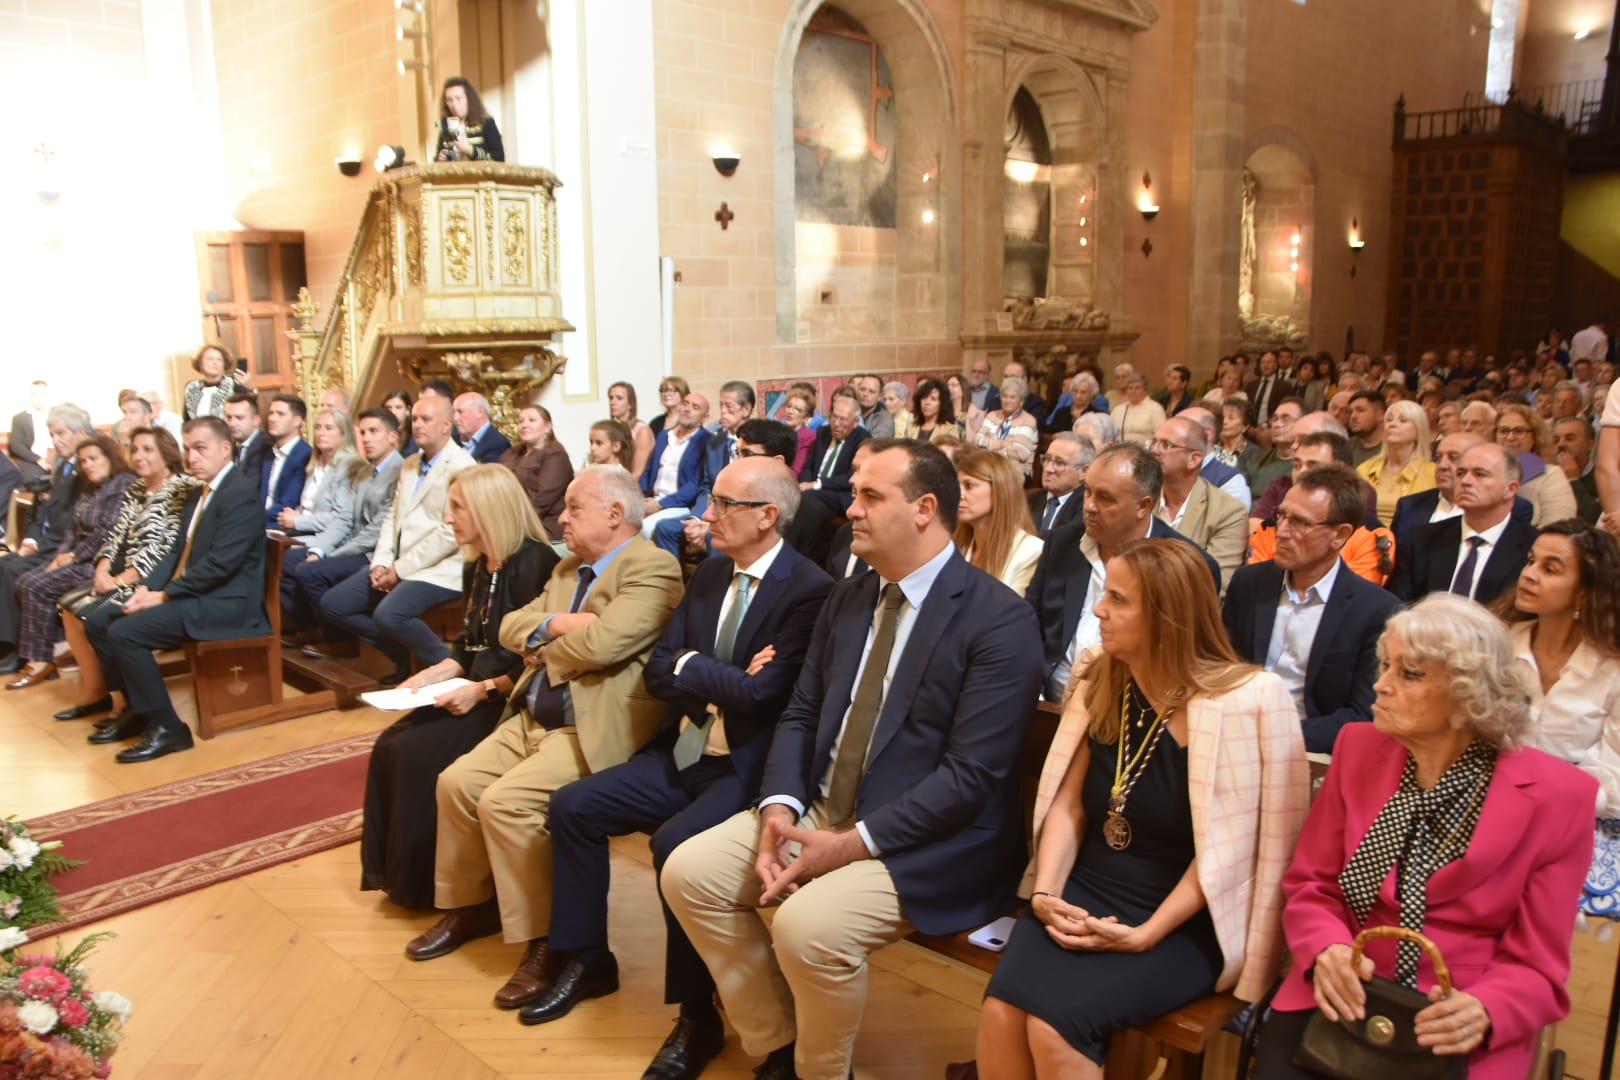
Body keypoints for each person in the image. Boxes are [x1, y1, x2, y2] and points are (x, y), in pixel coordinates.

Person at [662, 439, 1045, 1080]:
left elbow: (971, 776)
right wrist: (780, 805)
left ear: (925, 508)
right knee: (689, 873)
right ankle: (779, 1043)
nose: (851, 510)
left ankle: (820, 1071)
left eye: (870, 496)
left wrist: (853, 843)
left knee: (807, 926)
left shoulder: (998, 619)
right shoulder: (852, 594)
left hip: (928, 838)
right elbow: (803, 712)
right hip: (823, 804)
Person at [537, 458, 832, 1067]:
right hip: (686, 748)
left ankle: (697, 1016)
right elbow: (659, 667)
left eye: (724, 504)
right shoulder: (709, 573)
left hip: (745, 768)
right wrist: (704, 671)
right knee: (573, 805)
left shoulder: (810, 589)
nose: (706, 515)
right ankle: (587, 955)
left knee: (674, 848)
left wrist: (691, 666)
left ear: (768, 516)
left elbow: (764, 695)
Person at [978, 540, 1308, 1078]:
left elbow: (1230, 851)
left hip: (1185, 917)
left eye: (1118, 599)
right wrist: (1045, 893)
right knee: (1000, 1012)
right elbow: (1070, 806)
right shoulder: (1106, 675)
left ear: (1167, 617)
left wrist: (1149, 932)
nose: (1098, 610)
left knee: (1055, 1028)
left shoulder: (1247, 699)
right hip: (1084, 890)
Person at [1254, 594, 1596, 1080]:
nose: (1380, 685)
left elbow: (1540, 967)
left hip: (1453, 1017)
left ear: (1468, 695)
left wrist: (1484, 1007)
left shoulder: (1560, 798)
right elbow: (1313, 885)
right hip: (1344, 991)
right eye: (1386, 666)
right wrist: (1327, 949)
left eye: (1408, 674)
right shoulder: (1358, 747)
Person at [405, 466, 683, 1012]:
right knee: (455, 783)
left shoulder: (653, 567)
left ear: (614, 514)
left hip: (589, 727)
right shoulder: (565, 568)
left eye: (574, 508)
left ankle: (549, 942)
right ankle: (477, 904)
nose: (561, 517)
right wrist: (560, 625)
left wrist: (545, 641)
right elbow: (512, 626)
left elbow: (605, 644)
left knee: (506, 804)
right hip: (532, 714)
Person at [361, 465, 559, 908]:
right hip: (474, 688)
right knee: (391, 743)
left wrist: (481, 689)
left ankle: (436, 888)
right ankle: (401, 878)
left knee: (416, 754)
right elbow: (467, 647)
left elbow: (536, 662)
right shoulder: (478, 566)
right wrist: (430, 676)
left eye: (457, 508)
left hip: (511, 699)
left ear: (489, 510)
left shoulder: (534, 562)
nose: (448, 519)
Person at [84, 417, 270, 762]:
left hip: (229, 603)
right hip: (196, 594)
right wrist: (145, 589)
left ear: (225, 449)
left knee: (126, 632)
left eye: (200, 449)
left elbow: (220, 566)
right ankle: (139, 713)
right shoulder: (199, 492)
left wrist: (165, 595)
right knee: (100, 621)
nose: (192, 457)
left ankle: (169, 728)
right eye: (188, 449)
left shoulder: (240, 494)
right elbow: (175, 554)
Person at [1224, 464, 1402, 752]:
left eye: (1300, 523)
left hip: (1313, 752)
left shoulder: (1376, 611)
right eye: (1281, 516)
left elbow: (1362, 716)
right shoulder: (1249, 584)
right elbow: (1222, 668)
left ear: (1340, 535)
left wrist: (1274, 734)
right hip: (1234, 737)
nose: (1281, 532)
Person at [1026, 445, 1221, 703]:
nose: (1090, 506)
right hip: (1049, 703)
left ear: (1143, 506)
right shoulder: (1063, 542)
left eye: (1105, 498)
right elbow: (1030, 620)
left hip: (1132, 712)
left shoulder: (1184, 566)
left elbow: (1184, 659)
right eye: (1088, 492)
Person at [317, 394, 475, 685]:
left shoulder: (462, 465)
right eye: (414, 419)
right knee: (333, 604)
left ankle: (453, 671)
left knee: (389, 614)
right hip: (398, 562)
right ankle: (404, 655)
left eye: (426, 419)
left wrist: (399, 570)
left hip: (441, 567)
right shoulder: (411, 464)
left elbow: (450, 532)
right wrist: (381, 563)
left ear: (446, 425)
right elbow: (393, 518)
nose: (417, 425)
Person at [58, 428, 195, 724]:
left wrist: (120, 581)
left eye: (148, 450)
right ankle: (99, 693)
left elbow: (164, 549)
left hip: (151, 578)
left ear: (167, 454)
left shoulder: (180, 489)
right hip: (121, 571)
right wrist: (103, 568)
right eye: (135, 450)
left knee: (94, 619)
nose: (139, 456)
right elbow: (116, 535)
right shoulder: (136, 489)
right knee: (68, 610)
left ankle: (124, 704)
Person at [1492, 519, 1620, 815]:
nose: (1528, 575)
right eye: (1531, 561)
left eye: (1549, 569)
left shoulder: (1613, 669)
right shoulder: (1498, 645)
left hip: (1581, 816)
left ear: (1584, 592)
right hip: (1492, 802)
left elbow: (1613, 781)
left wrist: (1538, 795)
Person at [5, 434, 136, 690]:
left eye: (94, 459)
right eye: (84, 461)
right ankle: (52, 648)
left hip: (101, 560)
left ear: (110, 458)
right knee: (24, 581)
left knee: (35, 587)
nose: (88, 465)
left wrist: (73, 556)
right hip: (77, 555)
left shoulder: (122, 485)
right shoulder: (89, 487)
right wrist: (59, 557)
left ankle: (40, 660)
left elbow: (107, 533)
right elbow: (71, 531)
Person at [283, 408, 405, 639]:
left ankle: (341, 639)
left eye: (374, 431)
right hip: (355, 547)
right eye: (364, 432)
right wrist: (320, 550)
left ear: (392, 437)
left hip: (374, 552)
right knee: (297, 562)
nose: (367, 438)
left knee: (310, 572)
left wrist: (333, 554)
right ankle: (321, 631)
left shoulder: (400, 471)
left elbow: (376, 532)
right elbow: (344, 518)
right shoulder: (365, 471)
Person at [0, 405, 93, 674]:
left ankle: (22, 649)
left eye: (62, 433)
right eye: (52, 434)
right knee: (6, 565)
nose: (56, 440)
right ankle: (9, 642)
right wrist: (31, 540)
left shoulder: (86, 468)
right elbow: (44, 512)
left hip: (64, 547)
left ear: (80, 432)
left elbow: (75, 522)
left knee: (13, 571)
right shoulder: (62, 464)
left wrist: (49, 547)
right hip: (46, 541)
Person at [1388, 442, 1538, 605]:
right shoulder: (1422, 539)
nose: (1465, 481)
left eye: (1480, 474)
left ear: (1511, 489)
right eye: (1460, 473)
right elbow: (1399, 606)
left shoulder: (1533, 547)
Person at [652, 382, 753, 557]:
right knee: (665, 527)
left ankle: (715, 583)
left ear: (746, 409)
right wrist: (696, 519)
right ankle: (673, 582)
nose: (723, 411)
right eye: (721, 405)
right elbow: (706, 487)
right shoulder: (715, 442)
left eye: (729, 406)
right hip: (712, 511)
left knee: (714, 536)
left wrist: (711, 524)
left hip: (741, 513)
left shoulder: (757, 441)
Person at [1149, 416, 1248, 588]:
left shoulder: (1229, 512)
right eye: (1154, 442)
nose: (1155, 451)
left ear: (1194, 459)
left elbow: (1214, 583)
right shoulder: (1141, 497)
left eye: (1165, 445)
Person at [954, 448, 1045, 596]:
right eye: (957, 486)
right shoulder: (955, 545)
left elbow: (1012, 614)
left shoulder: (1030, 550)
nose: (959, 494)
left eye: (969, 486)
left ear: (999, 490)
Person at [640, 391, 713, 540]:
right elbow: (648, 471)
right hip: (652, 499)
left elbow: (696, 484)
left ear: (704, 418)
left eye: (695, 407)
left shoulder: (707, 441)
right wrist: (640, 499)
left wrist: (659, 504)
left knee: (645, 529)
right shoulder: (664, 436)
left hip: (678, 505)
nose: (687, 409)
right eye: (685, 403)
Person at [275, 407, 357, 537]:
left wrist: (297, 520)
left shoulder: (349, 465)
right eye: (318, 427)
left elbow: (339, 517)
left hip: (326, 537)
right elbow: (307, 507)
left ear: (343, 433)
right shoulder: (314, 464)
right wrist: (293, 514)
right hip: (301, 531)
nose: (321, 433)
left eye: (328, 428)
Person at [1495, 401, 1579, 526]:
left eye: (1519, 431)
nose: (1510, 437)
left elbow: (1559, 524)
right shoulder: (1483, 473)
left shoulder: (1551, 475)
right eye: (1503, 431)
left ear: (1535, 437)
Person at [1356, 399, 1435, 526]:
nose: (1393, 424)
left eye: (1403, 420)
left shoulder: (1433, 474)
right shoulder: (1364, 469)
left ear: (1418, 430)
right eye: (1389, 419)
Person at [500, 404, 572, 537]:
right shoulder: (512, 453)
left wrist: (512, 525)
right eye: (521, 421)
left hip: (543, 525)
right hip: (511, 520)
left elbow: (542, 500)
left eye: (532, 420)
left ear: (547, 427)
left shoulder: (555, 455)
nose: (524, 425)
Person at [798, 396, 869, 517]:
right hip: (814, 490)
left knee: (810, 499)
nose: (836, 423)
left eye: (843, 420)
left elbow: (850, 478)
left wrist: (816, 485)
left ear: (856, 422)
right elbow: (809, 465)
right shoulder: (823, 432)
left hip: (840, 493)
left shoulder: (863, 440)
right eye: (834, 417)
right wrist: (805, 484)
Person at [1028, 431, 1092, 539]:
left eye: (1059, 463)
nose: (1048, 469)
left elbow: (1062, 542)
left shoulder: (1087, 507)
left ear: (1083, 472)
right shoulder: (1028, 500)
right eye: (1047, 459)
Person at [261, 393, 312, 527]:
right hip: (261, 521)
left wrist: (253, 519)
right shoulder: (268, 454)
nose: (272, 418)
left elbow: (288, 504)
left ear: (297, 421)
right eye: (271, 413)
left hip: (280, 526)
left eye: (280, 414)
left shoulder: (305, 455)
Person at [978, 375, 1040, 477]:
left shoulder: (1029, 420)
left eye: (1012, 397)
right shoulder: (992, 415)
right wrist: (1002, 444)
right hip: (990, 468)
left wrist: (990, 446)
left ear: (1021, 401)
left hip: (1016, 472)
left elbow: (1020, 453)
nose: (1007, 401)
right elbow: (978, 441)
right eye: (1005, 396)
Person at [434, 76, 504, 161]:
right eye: (449, 100)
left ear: (469, 99)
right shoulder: (446, 125)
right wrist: (441, 158)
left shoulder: (486, 122)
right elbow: (437, 160)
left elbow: (499, 157)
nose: (454, 104)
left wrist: (471, 151)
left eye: (458, 98)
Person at [180, 344, 248, 421]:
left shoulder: (234, 383)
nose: (215, 362)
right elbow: (186, 420)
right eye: (210, 359)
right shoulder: (192, 387)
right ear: (200, 364)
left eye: (219, 359)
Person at [223, 392, 269, 492]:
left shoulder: (266, 448)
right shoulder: (228, 447)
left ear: (256, 420)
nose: (232, 424)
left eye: (239, 418)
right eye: (228, 417)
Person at [611, 380, 657, 477]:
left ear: (630, 404)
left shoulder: (642, 430)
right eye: (611, 398)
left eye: (619, 398)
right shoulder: (611, 428)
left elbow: (638, 472)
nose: (613, 402)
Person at [451, 392, 511, 464]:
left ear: (480, 412)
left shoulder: (497, 444)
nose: (455, 418)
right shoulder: (452, 437)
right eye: (454, 412)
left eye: (460, 412)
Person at [1110, 373, 1167, 449]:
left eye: (1138, 388)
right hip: (1120, 451)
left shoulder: (1155, 408)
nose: (1133, 391)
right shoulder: (1118, 410)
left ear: (1145, 390)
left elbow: (1161, 435)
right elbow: (1110, 435)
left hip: (1145, 453)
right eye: (1130, 388)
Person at [8, 380, 50, 482]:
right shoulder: (20, 418)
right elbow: (16, 445)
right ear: (31, 396)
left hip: (56, 459)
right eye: (36, 394)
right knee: (33, 480)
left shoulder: (56, 416)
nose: (39, 398)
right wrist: (38, 459)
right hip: (32, 460)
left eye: (43, 394)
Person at [779, 387, 820, 474]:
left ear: (806, 417)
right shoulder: (778, 433)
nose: (790, 411)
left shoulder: (810, 437)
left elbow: (796, 471)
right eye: (789, 406)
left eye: (797, 409)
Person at [911, 378, 954, 445]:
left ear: (942, 403)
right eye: (924, 398)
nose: (927, 402)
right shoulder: (912, 426)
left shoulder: (949, 430)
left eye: (933, 399)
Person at [948, 371, 987, 444]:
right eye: (947, 385)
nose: (949, 388)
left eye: (953, 385)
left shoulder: (976, 414)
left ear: (963, 389)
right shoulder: (943, 411)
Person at [853, 374, 894, 438]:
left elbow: (873, 443)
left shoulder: (884, 419)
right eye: (862, 389)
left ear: (879, 397)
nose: (865, 394)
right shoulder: (850, 412)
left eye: (871, 391)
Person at [384, 389, 419, 459]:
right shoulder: (379, 434)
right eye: (389, 408)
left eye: (398, 407)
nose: (393, 412)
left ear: (408, 410)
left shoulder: (414, 439)